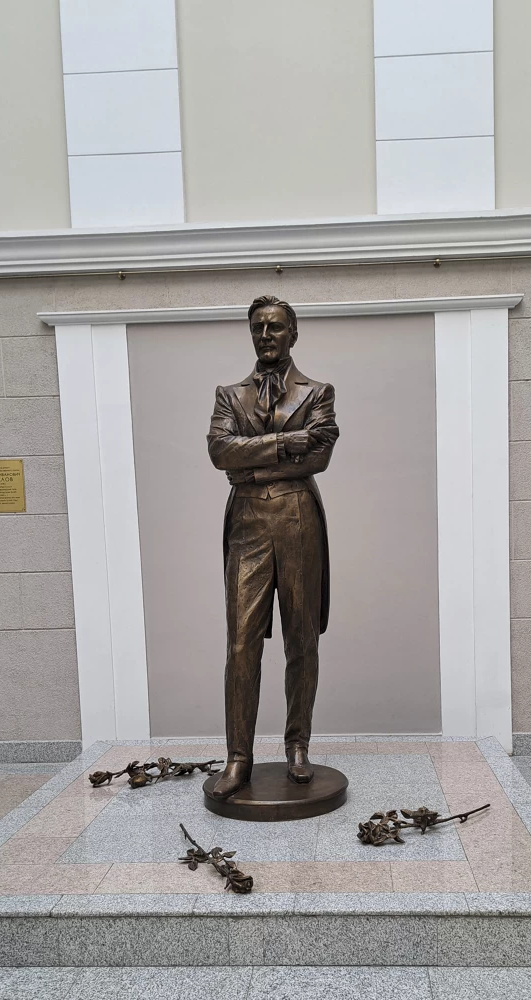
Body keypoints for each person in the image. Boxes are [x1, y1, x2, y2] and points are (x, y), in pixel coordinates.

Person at [207, 295, 339, 798]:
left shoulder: (318, 392)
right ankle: (238, 757)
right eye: (258, 327)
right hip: (247, 525)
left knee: (301, 637)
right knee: (241, 641)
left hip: (299, 519)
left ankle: (297, 746)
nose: (266, 335)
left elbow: (319, 457)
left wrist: (252, 469)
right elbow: (220, 451)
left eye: (276, 327)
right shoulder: (229, 395)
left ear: (293, 334)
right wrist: (286, 444)